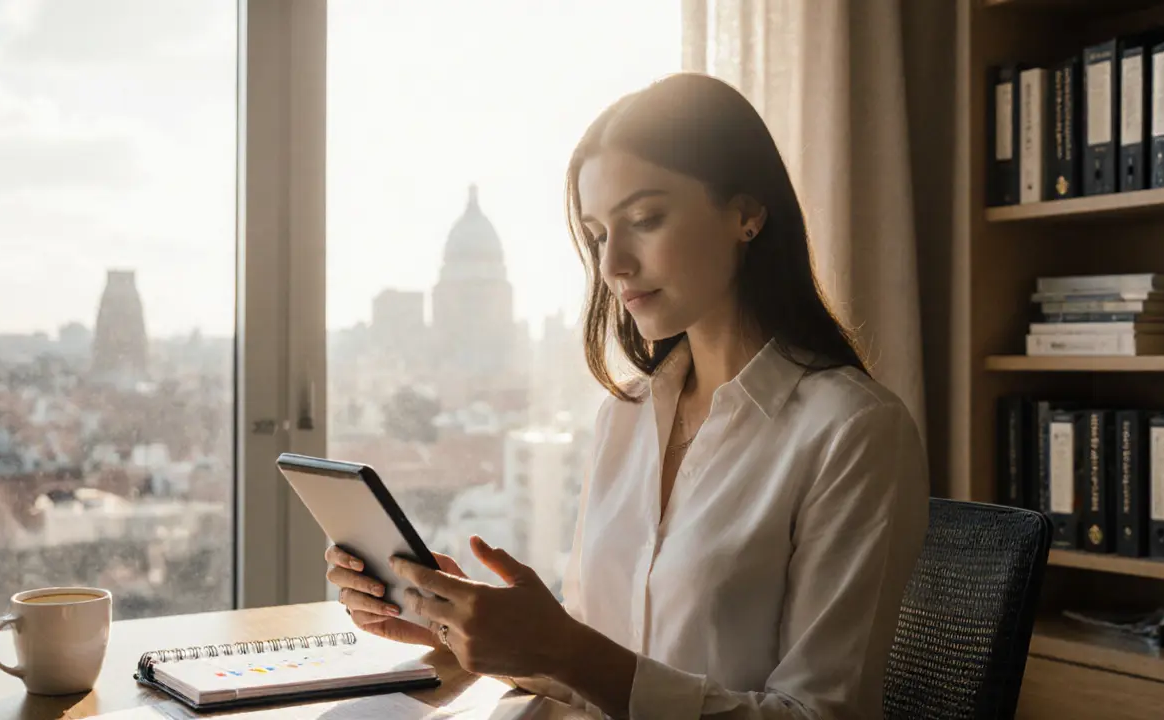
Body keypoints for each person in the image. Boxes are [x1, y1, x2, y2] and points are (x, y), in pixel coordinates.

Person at [326, 72, 929, 720]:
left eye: (644, 219)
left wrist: (563, 650)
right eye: (597, 234)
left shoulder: (853, 432)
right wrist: (464, 633)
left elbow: (818, 716)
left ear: (747, 213)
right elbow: (596, 662)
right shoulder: (626, 417)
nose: (613, 266)